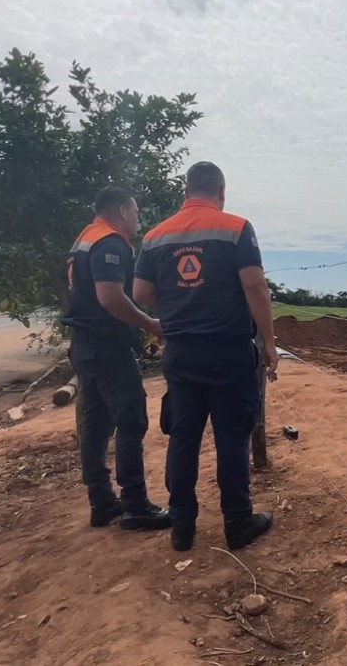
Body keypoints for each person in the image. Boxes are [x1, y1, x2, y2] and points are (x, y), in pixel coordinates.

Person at [133, 162, 279, 552]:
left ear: (186, 192)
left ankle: (182, 528)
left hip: (181, 354)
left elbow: (142, 293)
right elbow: (254, 285)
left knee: (183, 439)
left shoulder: (155, 236)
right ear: (222, 192)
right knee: (232, 439)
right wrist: (269, 341)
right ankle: (237, 523)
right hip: (229, 351)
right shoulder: (236, 228)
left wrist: (181, 297)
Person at [63, 186, 171, 531]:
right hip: (107, 347)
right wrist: (149, 322)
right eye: (136, 212)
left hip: (83, 346)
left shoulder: (85, 237)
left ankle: (101, 501)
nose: (138, 219)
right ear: (123, 211)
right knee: (131, 419)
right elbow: (110, 297)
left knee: (95, 425)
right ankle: (135, 504)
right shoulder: (110, 242)